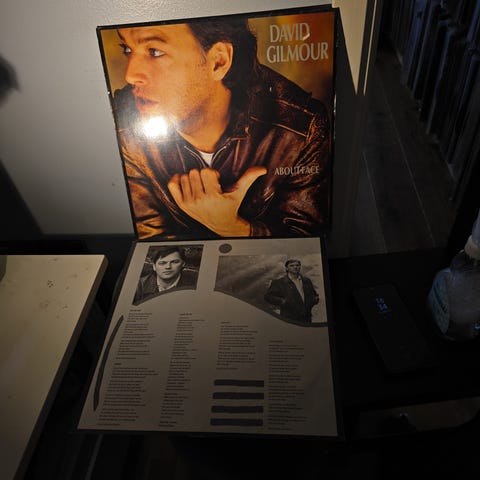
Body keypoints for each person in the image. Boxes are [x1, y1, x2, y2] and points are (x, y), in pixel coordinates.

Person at [113, 17, 331, 240]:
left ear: (218, 61)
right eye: (127, 49)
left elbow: (307, 246)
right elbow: (153, 246)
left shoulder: (300, 127)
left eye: (155, 52)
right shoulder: (124, 126)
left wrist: (234, 228)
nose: (130, 75)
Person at [264, 259, 319, 323]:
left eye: (297, 265)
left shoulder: (307, 281)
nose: (295, 267)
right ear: (287, 268)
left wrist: (314, 300)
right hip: (289, 318)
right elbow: (268, 296)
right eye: (291, 265)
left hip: (306, 318)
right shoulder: (279, 282)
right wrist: (283, 301)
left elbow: (314, 294)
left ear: (300, 267)